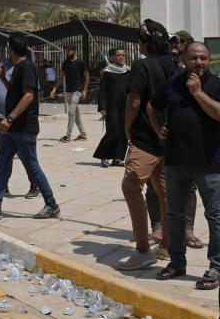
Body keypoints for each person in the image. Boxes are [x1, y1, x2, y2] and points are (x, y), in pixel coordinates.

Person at [148, 42, 220, 288]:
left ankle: (216, 267)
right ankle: (177, 262)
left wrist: (198, 93)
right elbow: (151, 106)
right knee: (176, 215)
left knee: (215, 216)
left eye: (203, 59)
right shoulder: (172, 84)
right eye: (193, 58)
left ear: (209, 61)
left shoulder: (216, 84)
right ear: (183, 60)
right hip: (176, 161)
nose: (198, 63)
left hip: (210, 164)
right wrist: (160, 129)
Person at [0, 33, 60, 221]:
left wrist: (10, 118)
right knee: (2, 162)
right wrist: (3, 78)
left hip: (23, 126)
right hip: (12, 128)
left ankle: (52, 204)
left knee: (31, 165)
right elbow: (15, 91)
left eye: (7, 47)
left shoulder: (27, 67)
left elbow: (29, 95)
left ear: (11, 49)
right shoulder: (18, 67)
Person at [117, 19, 175, 271]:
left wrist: (128, 128)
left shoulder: (143, 66)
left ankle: (142, 250)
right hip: (170, 139)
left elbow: (134, 101)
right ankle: (167, 245)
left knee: (131, 185)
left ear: (145, 42)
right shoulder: (174, 66)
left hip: (146, 139)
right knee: (165, 192)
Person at [93, 48, 130, 167]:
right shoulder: (107, 72)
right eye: (118, 55)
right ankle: (104, 156)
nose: (121, 57)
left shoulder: (128, 71)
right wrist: (102, 107)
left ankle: (117, 158)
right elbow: (102, 91)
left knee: (123, 132)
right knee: (113, 130)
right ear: (113, 57)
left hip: (125, 106)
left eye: (123, 55)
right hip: (112, 106)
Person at [50, 46, 89, 142]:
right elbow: (61, 77)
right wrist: (54, 88)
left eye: (68, 51)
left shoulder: (80, 62)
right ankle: (83, 134)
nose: (67, 52)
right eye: (66, 51)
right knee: (76, 114)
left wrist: (84, 90)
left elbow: (87, 76)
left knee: (71, 112)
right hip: (68, 91)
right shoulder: (65, 63)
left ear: (74, 51)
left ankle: (68, 135)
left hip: (77, 90)